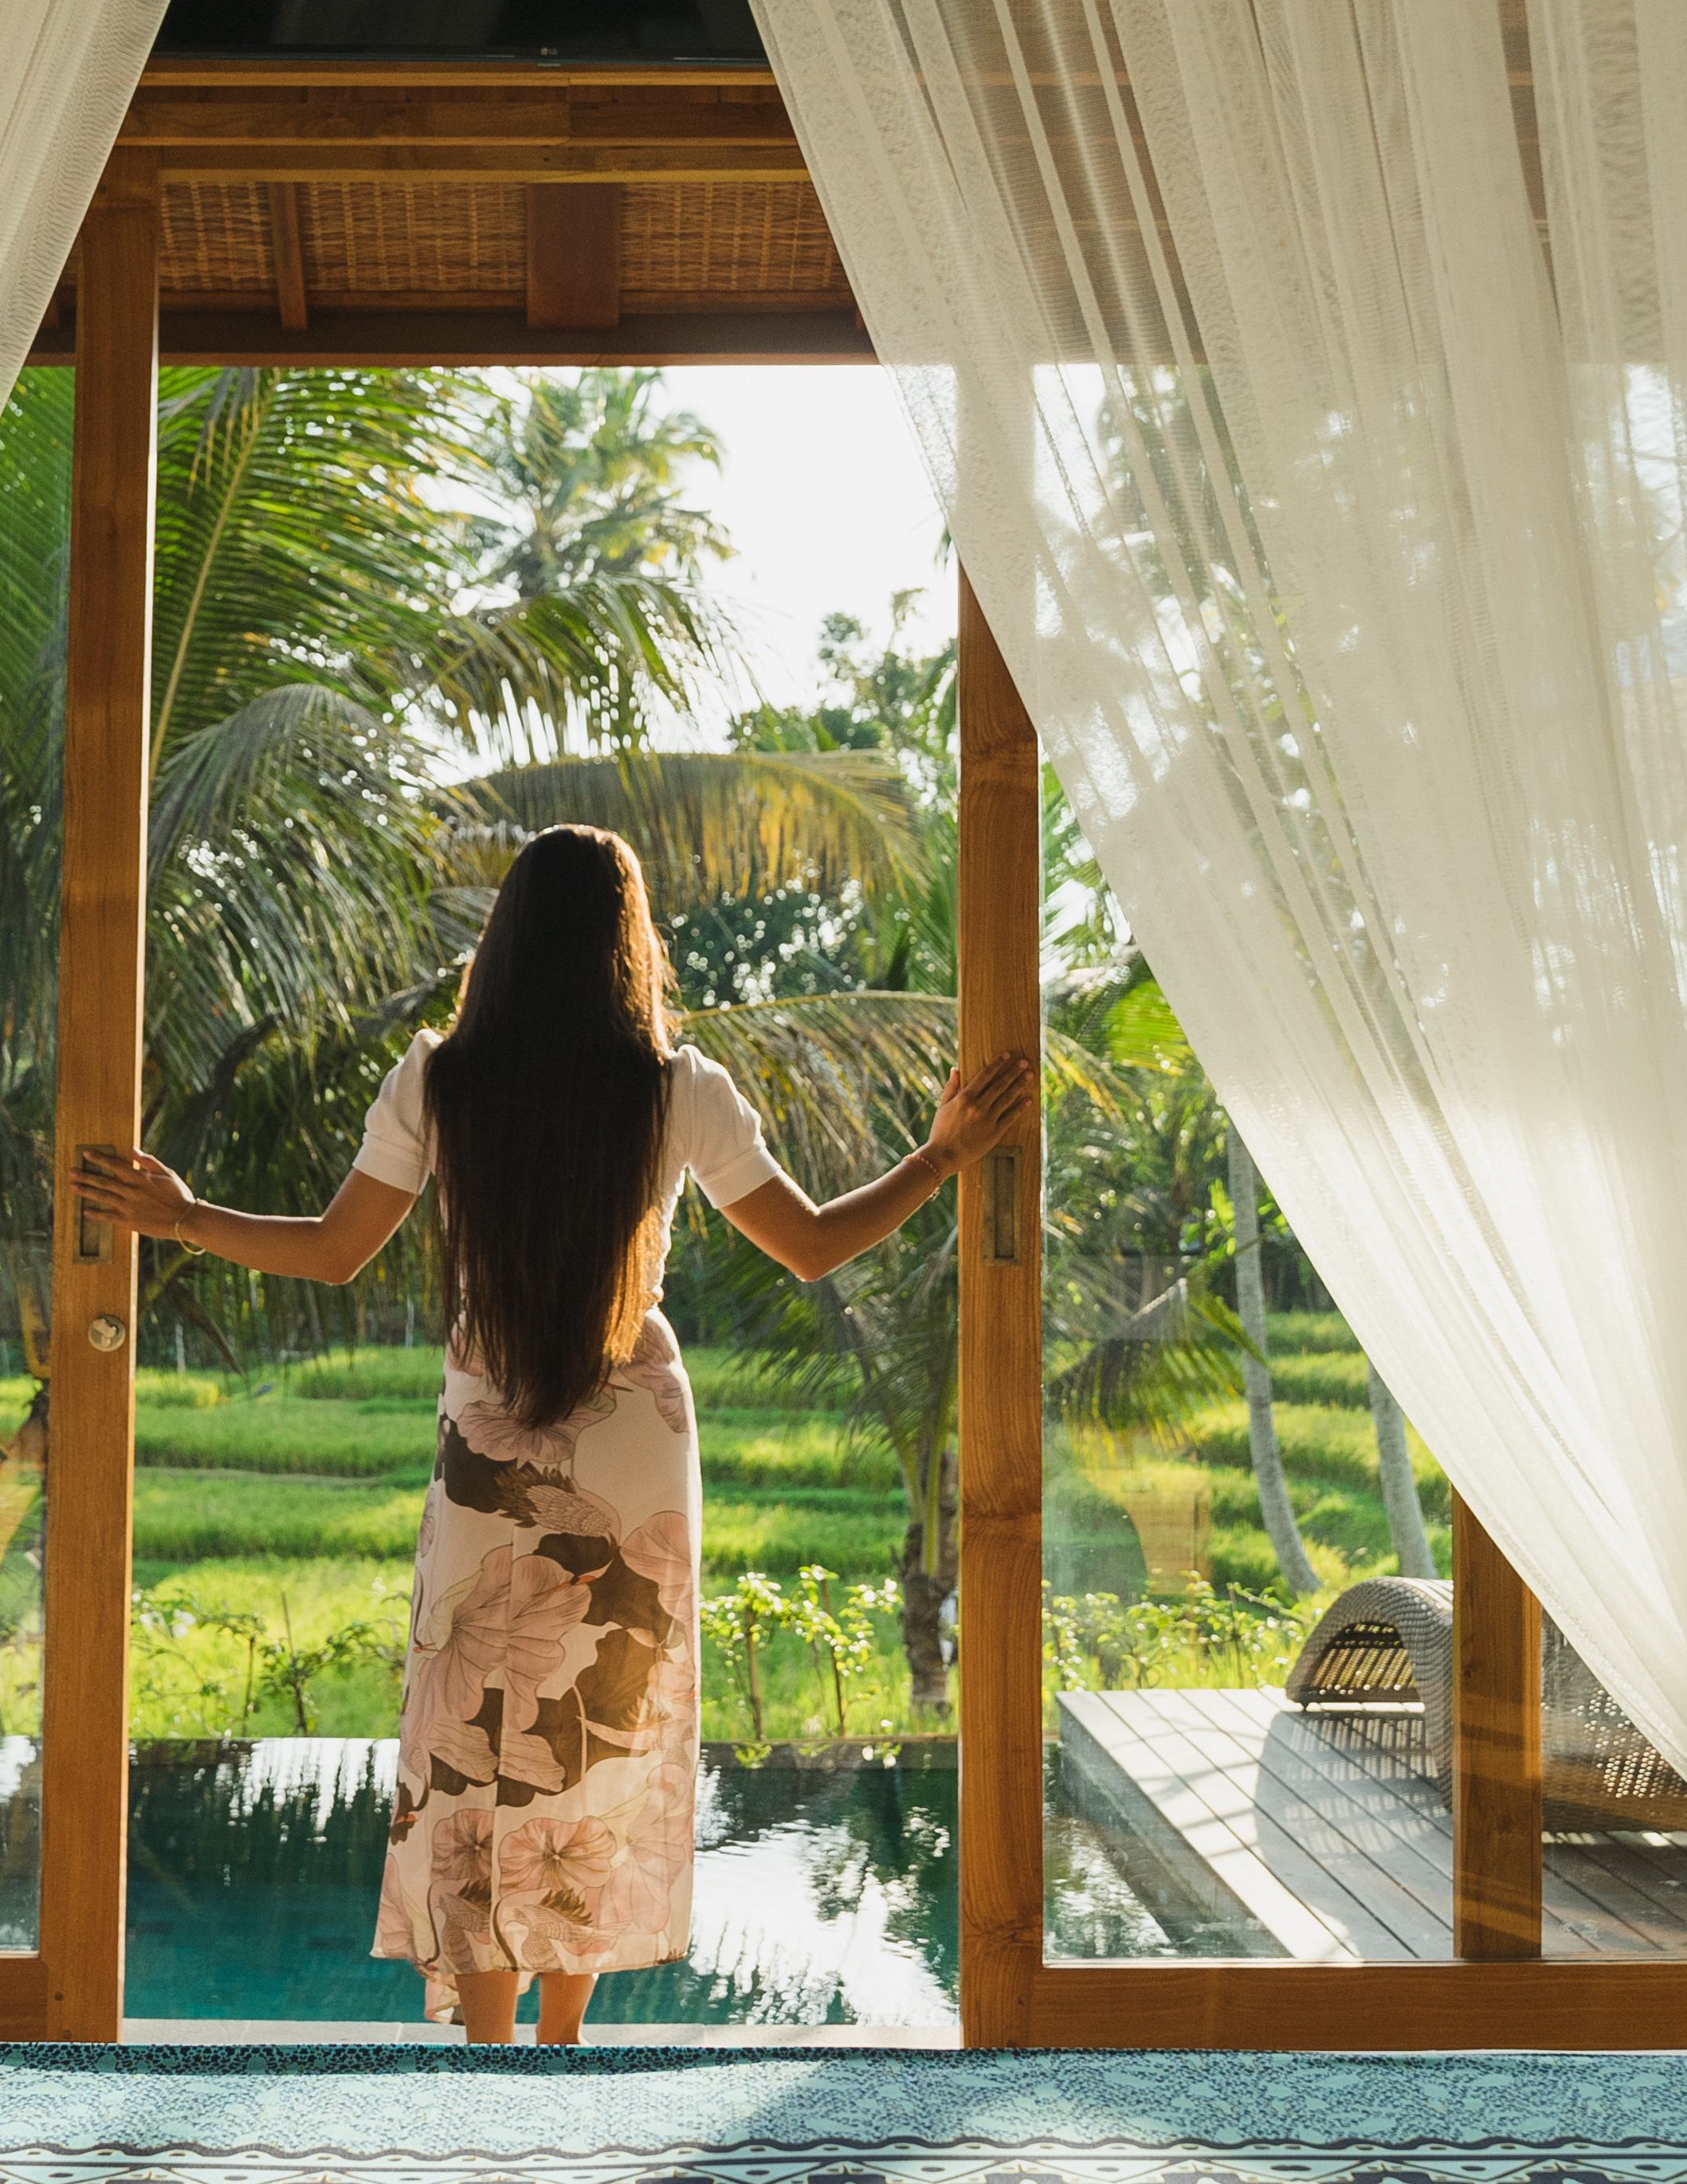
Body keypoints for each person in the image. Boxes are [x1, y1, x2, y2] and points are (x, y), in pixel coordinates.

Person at [77, 823, 1031, 2045]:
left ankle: (488, 2049)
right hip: (635, 1433)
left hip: (489, 1442)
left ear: (505, 938)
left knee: (479, 1724)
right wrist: (941, 1155)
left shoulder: (437, 1078)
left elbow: (332, 1249)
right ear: (627, 942)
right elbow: (811, 1245)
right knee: (600, 1728)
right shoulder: (680, 1088)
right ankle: (564, 2046)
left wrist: (186, 1213)